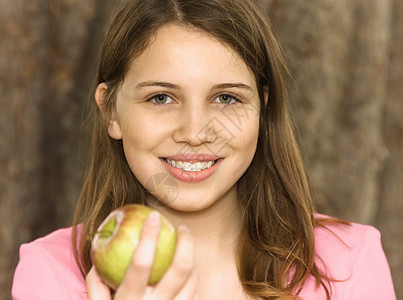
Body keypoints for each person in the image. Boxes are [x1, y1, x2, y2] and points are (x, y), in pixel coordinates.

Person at [12, 0, 396, 299]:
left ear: (262, 110)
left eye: (226, 98)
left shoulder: (350, 260)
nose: (195, 133)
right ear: (111, 111)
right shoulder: (51, 274)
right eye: (161, 98)